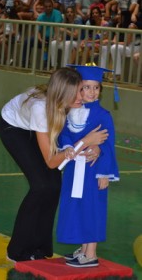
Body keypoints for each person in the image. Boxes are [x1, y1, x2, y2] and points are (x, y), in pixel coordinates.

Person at [0, 67, 109, 262]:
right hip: (15, 129)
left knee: (54, 186)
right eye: (76, 93)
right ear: (62, 94)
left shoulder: (75, 102)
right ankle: (17, 251)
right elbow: (51, 162)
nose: (81, 97)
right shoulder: (40, 109)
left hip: (43, 129)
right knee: (41, 186)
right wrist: (84, 142)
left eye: (81, 90)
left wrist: (96, 147)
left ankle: (40, 249)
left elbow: (86, 134)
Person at [56, 65, 119, 267]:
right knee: (79, 208)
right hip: (75, 168)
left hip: (93, 171)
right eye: (86, 88)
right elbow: (65, 133)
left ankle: (91, 253)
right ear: (77, 89)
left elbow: (108, 145)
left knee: (92, 209)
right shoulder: (71, 111)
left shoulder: (103, 115)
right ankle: (83, 249)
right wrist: (67, 147)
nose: (91, 92)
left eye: (96, 88)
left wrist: (104, 173)